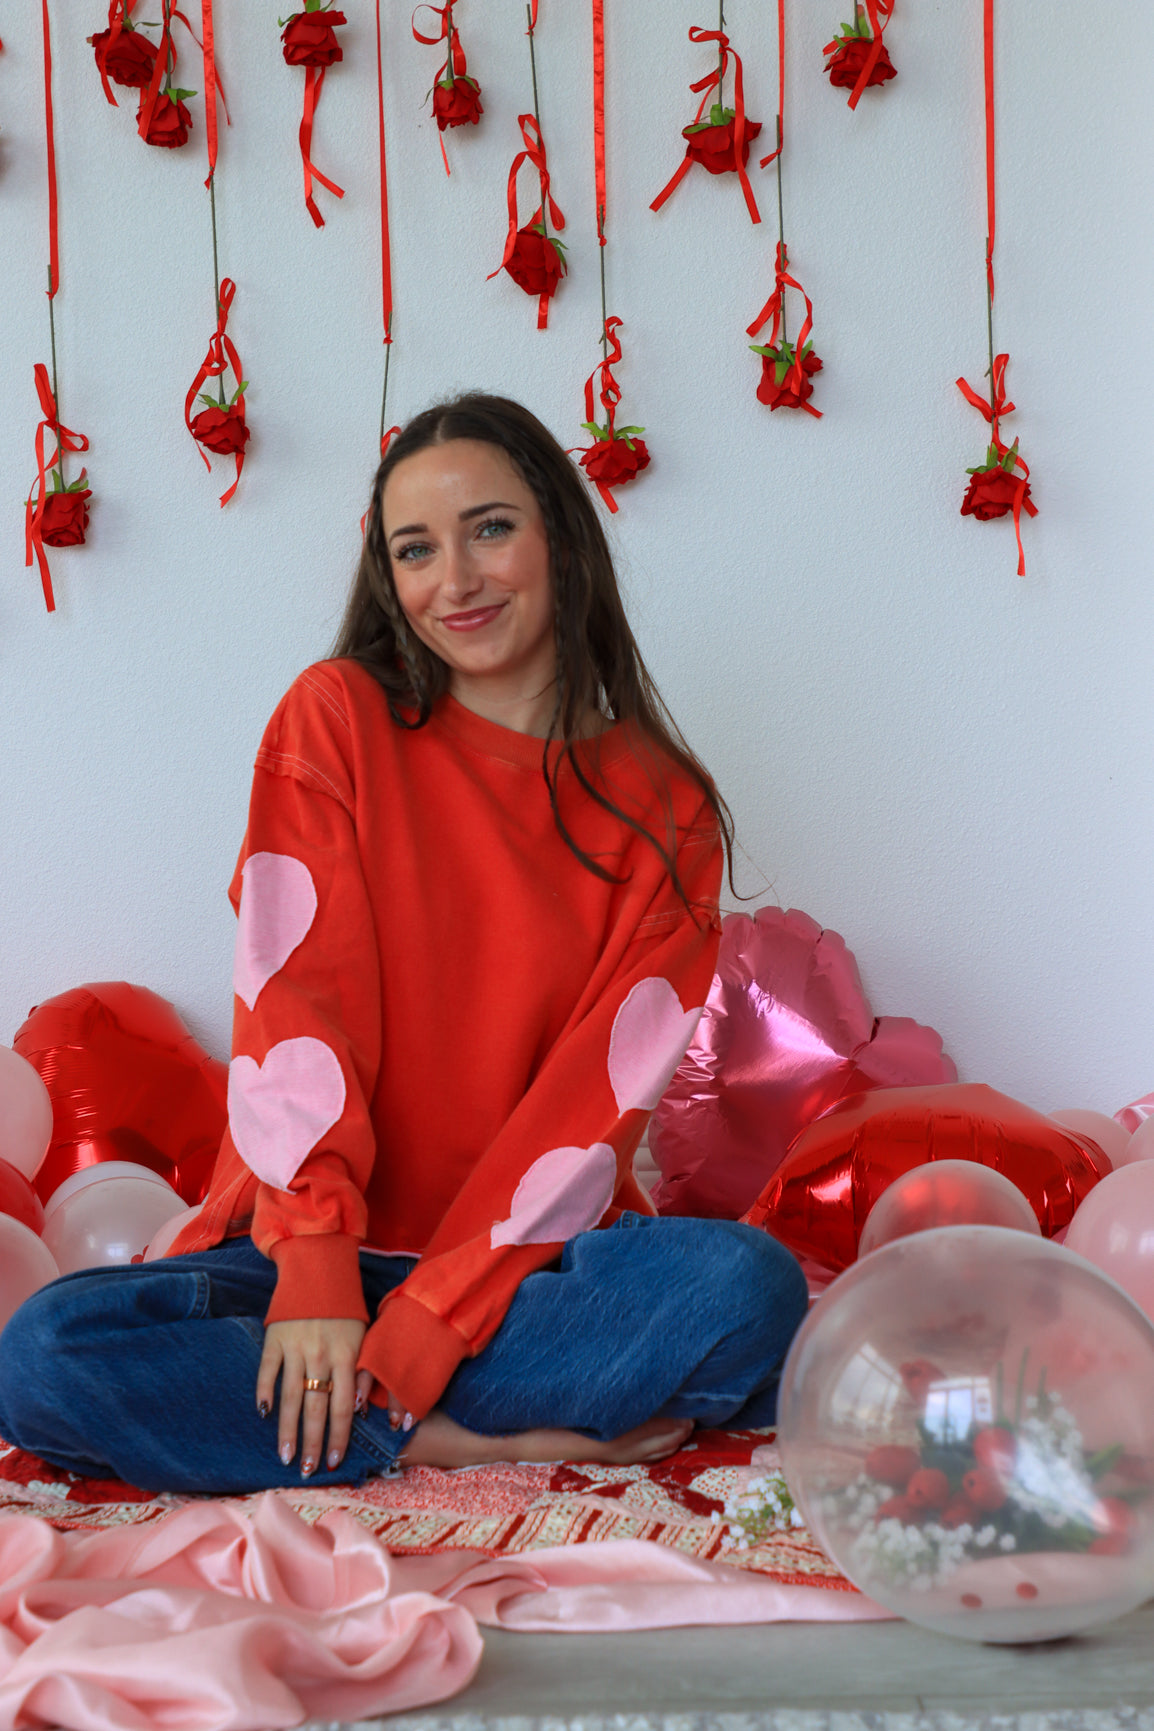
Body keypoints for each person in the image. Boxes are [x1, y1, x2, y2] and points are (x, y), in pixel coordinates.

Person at [0, 395, 806, 1495]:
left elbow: (587, 1107)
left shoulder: (660, 803)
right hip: (299, 1248)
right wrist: (323, 1275)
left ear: (560, 542)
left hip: (523, 1267)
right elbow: (299, 1008)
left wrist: (430, 1321)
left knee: (745, 1286)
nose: (453, 582)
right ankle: (447, 1439)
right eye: (413, 551)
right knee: (43, 1356)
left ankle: (335, 1417)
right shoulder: (336, 718)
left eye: (488, 529)